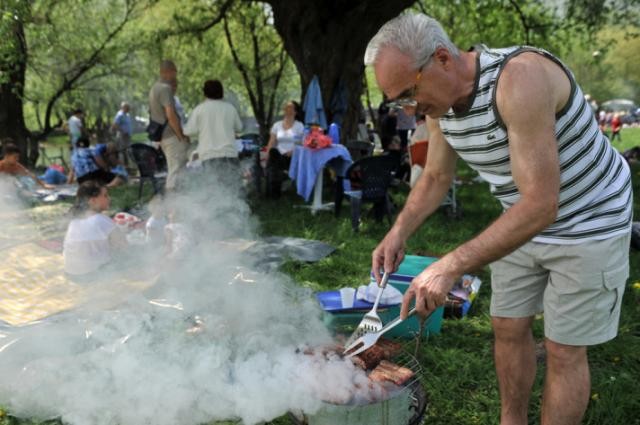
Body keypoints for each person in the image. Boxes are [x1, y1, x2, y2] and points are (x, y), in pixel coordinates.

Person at [365, 14, 632, 425]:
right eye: (400, 100)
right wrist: (398, 232)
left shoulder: (519, 79)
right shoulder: (439, 106)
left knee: (563, 348)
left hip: (590, 218)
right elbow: (435, 176)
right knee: (507, 325)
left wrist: (449, 265)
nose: (411, 109)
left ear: (442, 58)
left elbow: (543, 204)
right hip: (522, 217)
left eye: (410, 93)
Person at [63, 181, 126, 276]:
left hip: (71, 273)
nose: (109, 198)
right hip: (92, 275)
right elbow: (123, 246)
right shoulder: (101, 220)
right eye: (105, 195)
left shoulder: (75, 220)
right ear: (92, 201)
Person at [183, 80, 243, 180]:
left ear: (205, 93)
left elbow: (188, 131)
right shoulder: (230, 108)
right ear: (221, 92)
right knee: (232, 190)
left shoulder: (199, 109)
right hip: (230, 155)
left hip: (209, 157)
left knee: (215, 192)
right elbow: (239, 128)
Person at [149, 60, 189, 190]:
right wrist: (181, 136)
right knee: (176, 172)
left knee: (175, 170)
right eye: (174, 71)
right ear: (167, 72)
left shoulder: (154, 88)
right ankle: (173, 205)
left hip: (163, 137)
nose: (175, 74)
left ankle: (179, 203)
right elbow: (171, 115)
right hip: (171, 136)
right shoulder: (165, 89)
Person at [264, 100, 304, 197]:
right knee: (273, 154)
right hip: (277, 155)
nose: (286, 109)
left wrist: (293, 151)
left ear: (295, 112)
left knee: (273, 165)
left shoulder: (299, 126)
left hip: (291, 157)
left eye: (289, 107)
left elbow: (300, 144)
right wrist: (266, 154)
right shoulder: (277, 125)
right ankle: (274, 193)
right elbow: (271, 142)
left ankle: (271, 193)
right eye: (285, 107)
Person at [112, 102, 132, 166]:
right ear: (123, 107)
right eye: (128, 107)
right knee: (122, 151)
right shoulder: (120, 115)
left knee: (127, 150)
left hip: (127, 136)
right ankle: (122, 165)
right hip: (122, 135)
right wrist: (122, 131)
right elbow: (115, 125)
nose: (129, 109)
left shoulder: (127, 115)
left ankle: (127, 165)